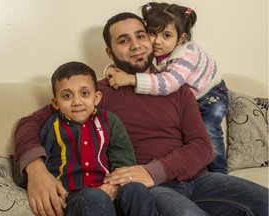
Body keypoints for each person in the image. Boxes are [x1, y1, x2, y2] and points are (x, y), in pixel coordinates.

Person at [15, 12, 268, 216]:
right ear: (110, 53)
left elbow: (202, 147)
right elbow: (30, 123)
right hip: (152, 190)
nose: (136, 45)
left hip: (198, 180)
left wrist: (152, 170)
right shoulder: (93, 93)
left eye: (141, 35)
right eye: (124, 40)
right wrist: (36, 170)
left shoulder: (177, 88)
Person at [17, 61, 159, 216]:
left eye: (84, 93)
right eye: (67, 96)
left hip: (110, 190)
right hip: (73, 198)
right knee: (95, 197)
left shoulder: (110, 121)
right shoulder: (51, 127)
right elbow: (40, 165)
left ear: (96, 97)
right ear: (56, 103)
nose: (77, 102)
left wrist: (114, 185)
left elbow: (123, 161)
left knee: (136, 189)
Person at [105, 2, 229, 174]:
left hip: (211, 94)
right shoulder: (157, 54)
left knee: (209, 129)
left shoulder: (187, 54)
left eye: (166, 35)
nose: (157, 41)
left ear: (181, 38)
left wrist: (131, 79)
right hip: (189, 95)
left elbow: (168, 83)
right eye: (152, 33)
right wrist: (110, 70)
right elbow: (135, 60)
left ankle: (220, 171)